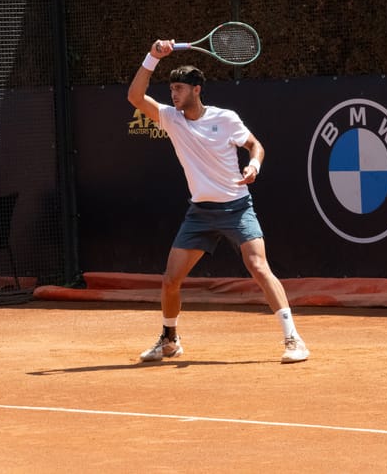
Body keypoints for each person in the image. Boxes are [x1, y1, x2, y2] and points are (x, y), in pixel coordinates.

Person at [127, 39, 309, 363]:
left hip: (237, 208)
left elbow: (256, 145)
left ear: (197, 90)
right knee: (171, 280)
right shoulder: (171, 118)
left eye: (180, 89)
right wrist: (152, 57)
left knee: (258, 266)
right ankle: (170, 340)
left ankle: (293, 339)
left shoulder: (226, 119)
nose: (173, 95)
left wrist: (254, 165)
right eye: (171, 89)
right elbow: (135, 97)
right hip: (200, 213)